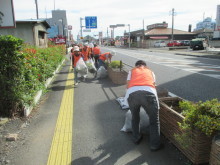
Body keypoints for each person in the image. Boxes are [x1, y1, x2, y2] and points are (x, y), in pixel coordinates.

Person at [125, 60, 162, 151]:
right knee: (154, 121)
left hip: (132, 94)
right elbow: (154, 85)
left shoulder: (132, 71)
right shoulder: (150, 71)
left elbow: (127, 85)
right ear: (145, 66)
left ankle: (136, 138)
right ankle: (155, 145)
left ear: (136, 65)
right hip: (149, 93)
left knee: (135, 117)